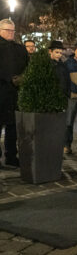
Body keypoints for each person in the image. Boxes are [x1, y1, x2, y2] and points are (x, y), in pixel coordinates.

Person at [0, 19, 29, 167]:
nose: (11, 33)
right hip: (1, 91)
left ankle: (11, 156)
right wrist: (9, 78)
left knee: (13, 127)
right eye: (7, 30)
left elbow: (27, 66)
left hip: (16, 93)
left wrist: (23, 77)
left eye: (12, 30)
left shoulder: (20, 49)